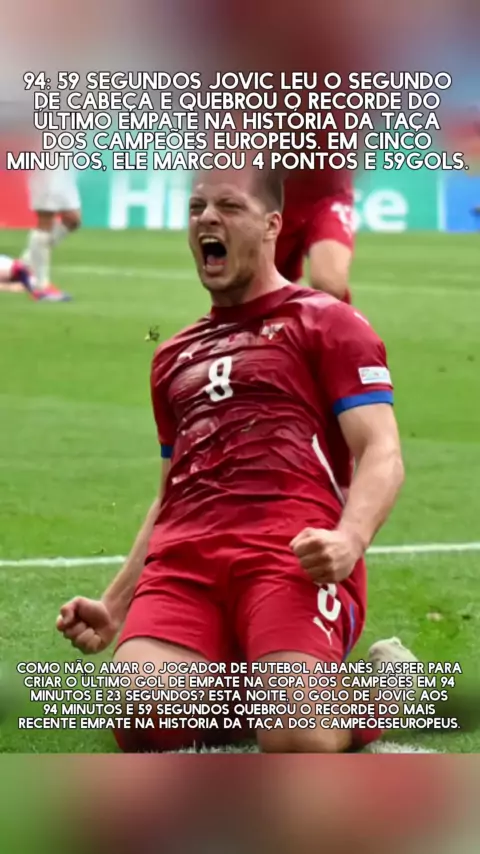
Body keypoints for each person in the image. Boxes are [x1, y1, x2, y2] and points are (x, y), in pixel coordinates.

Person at [57, 164, 414, 754]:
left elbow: (382, 449)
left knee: (297, 737)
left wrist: (349, 539)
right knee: (142, 717)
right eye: (197, 208)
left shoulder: (327, 322)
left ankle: (383, 688)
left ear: (272, 225)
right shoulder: (173, 356)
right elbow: (172, 492)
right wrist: (114, 604)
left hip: (287, 557)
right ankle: (272, 681)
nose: (207, 219)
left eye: (228, 206)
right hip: (186, 566)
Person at [275, 169, 355, 304]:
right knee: (269, 288)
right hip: (277, 199)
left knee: (330, 283)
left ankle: (338, 316)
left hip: (328, 195)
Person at [21, 164, 76, 301]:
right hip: (45, 166)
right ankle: (41, 288)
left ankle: (25, 264)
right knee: (45, 221)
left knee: (73, 219)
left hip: (62, 170)